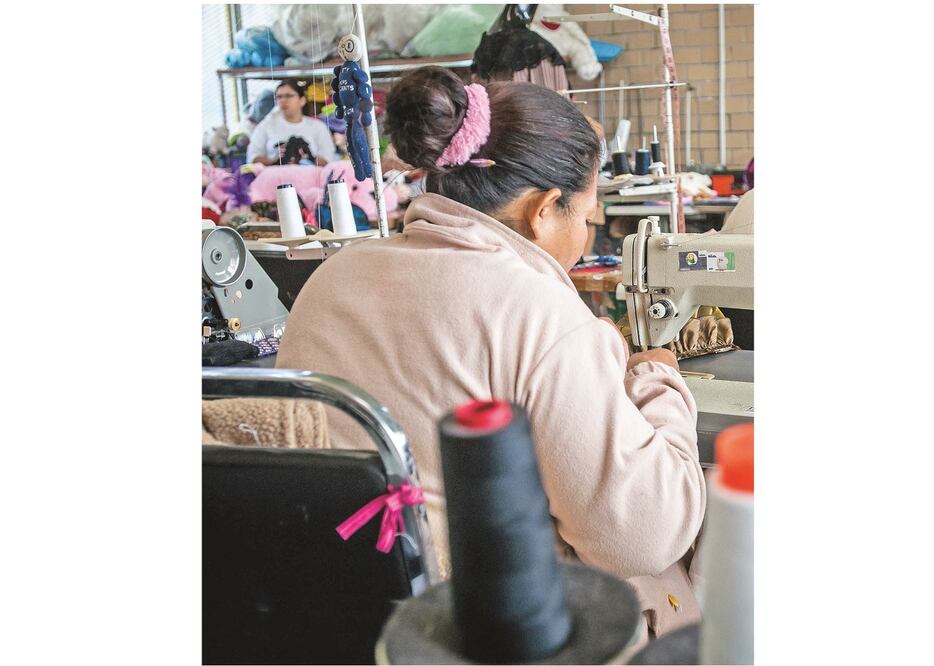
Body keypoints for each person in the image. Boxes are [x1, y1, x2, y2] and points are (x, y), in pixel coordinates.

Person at [275, 66, 705, 640]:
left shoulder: (333, 276)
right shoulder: (539, 311)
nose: (587, 236)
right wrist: (658, 384)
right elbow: (642, 536)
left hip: (332, 611)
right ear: (543, 210)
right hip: (472, 631)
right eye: (586, 216)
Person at [246, 79, 339, 166]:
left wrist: (309, 158)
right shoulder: (265, 126)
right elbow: (253, 158)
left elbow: (328, 160)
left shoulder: (318, 127)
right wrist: (275, 160)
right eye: (279, 97)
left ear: (302, 100)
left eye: (288, 96)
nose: (283, 100)